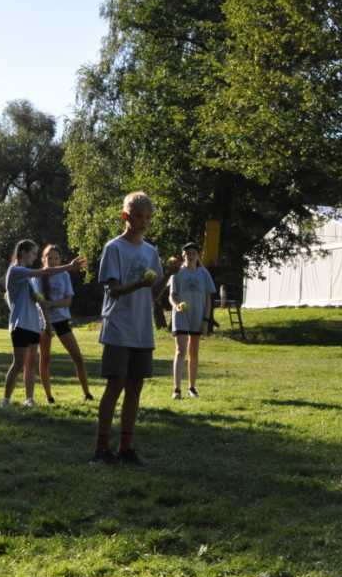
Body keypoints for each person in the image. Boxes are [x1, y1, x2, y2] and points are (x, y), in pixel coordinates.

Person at [91, 191, 163, 465]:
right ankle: (101, 449)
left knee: (135, 387)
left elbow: (152, 295)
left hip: (142, 328)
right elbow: (114, 290)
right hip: (119, 326)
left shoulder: (150, 251)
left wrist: (168, 277)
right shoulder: (114, 248)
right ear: (126, 216)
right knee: (116, 385)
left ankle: (126, 448)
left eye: (148, 218)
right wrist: (139, 284)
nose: (144, 222)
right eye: (138, 217)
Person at [2, 239, 84, 408]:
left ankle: (29, 399)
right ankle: (5, 400)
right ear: (23, 252)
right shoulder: (16, 270)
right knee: (18, 363)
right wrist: (69, 266)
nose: (34, 256)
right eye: (32, 253)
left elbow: (36, 300)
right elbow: (45, 272)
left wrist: (46, 322)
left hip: (33, 325)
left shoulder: (28, 277)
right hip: (20, 324)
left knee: (30, 364)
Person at [32, 244, 93, 404]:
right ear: (43, 259)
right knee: (45, 359)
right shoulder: (37, 276)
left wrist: (52, 304)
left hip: (62, 321)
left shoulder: (64, 275)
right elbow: (40, 302)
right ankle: (49, 397)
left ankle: (87, 393)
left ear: (60, 259)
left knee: (78, 358)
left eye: (56, 258)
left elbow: (68, 301)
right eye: (49, 258)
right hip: (43, 322)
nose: (52, 261)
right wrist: (47, 323)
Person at [169, 241, 216, 399]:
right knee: (180, 350)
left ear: (198, 255)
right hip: (181, 315)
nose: (190, 256)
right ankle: (176, 389)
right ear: (184, 256)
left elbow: (209, 298)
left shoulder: (204, 274)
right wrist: (176, 306)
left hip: (198, 316)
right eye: (188, 253)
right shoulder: (177, 273)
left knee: (193, 352)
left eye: (193, 253)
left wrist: (206, 319)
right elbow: (172, 295)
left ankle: (192, 388)